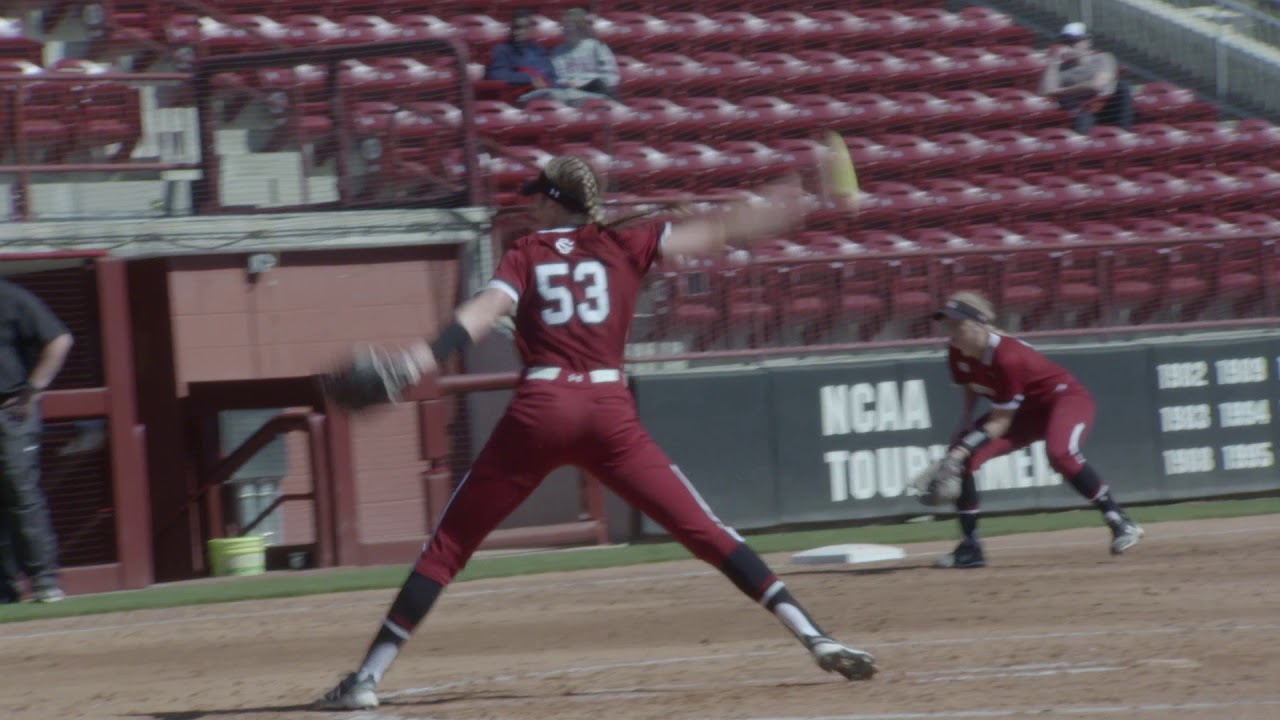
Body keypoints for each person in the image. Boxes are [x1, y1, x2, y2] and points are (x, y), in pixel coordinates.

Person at [315, 156, 877, 710]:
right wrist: (800, 194)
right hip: (609, 411)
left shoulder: (527, 253)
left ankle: (366, 679)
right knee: (706, 530)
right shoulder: (627, 243)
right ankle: (813, 634)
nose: (530, 204)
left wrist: (419, 359)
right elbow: (726, 228)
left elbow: (481, 313)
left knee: (449, 547)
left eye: (538, 196)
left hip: (542, 408)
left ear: (554, 202)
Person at [926, 292, 1144, 569]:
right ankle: (971, 548)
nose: (951, 331)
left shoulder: (1007, 356)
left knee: (1059, 453)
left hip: (1063, 400)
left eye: (958, 325)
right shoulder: (957, 351)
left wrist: (960, 449)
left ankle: (1119, 520)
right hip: (1022, 413)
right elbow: (971, 384)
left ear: (978, 324)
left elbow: (1001, 421)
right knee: (965, 457)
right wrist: (965, 425)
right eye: (947, 325)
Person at [0, 278, 74, 603]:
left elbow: (58, 340)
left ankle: (44, 581)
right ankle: (5, 589)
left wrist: (33, 390)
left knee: (20, 493)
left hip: (9, 413)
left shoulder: (11, 297)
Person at [1038, 22, 1133, 135]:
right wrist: (1053, 61)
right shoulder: (1062, 70)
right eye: (1065, 42)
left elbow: (1097, 85)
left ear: (1087, 42)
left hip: (1106, 109)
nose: (1068, 46)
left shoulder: (1103, 58)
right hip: (1080, 113)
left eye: (1073, 41)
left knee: (1122, 87)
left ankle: (1124, 135)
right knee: (1084, 115)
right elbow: (1046, 91)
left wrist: (1061, 91)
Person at [550, 7, 619, 98]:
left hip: (596, 91)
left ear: (580, 26)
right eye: (565, 25)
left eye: (570, 25)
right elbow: (558, 77)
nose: (567, 29)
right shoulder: (559, 51)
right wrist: (567, 83)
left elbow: (610, 73)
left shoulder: (596, 46)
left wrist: (603, 84)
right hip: (571, 93)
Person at [484, 10, 558, 91]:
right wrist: (530, 78)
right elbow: (496, 75)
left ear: (530, 30)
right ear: (511, 29)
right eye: (516, 27)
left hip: (546, 93)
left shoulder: (539, 50)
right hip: (519, 95)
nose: (519, 32)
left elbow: (551, 74)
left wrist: (551, 84)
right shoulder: (502, 50)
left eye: (524, 28)